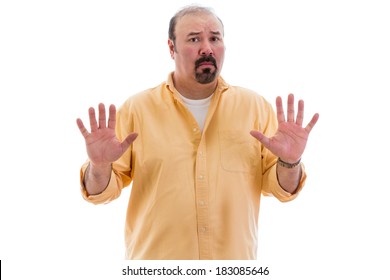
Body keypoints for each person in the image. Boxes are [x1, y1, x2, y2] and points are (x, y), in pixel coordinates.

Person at [76, 5, 319, 260]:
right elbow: (101, 191)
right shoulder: (137, 109)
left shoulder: (255, 108)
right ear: (171, 48)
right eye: (194, 39)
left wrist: (290, 162)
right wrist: (100, 165)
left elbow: (281, 189)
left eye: (214, 38)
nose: (207, 48)